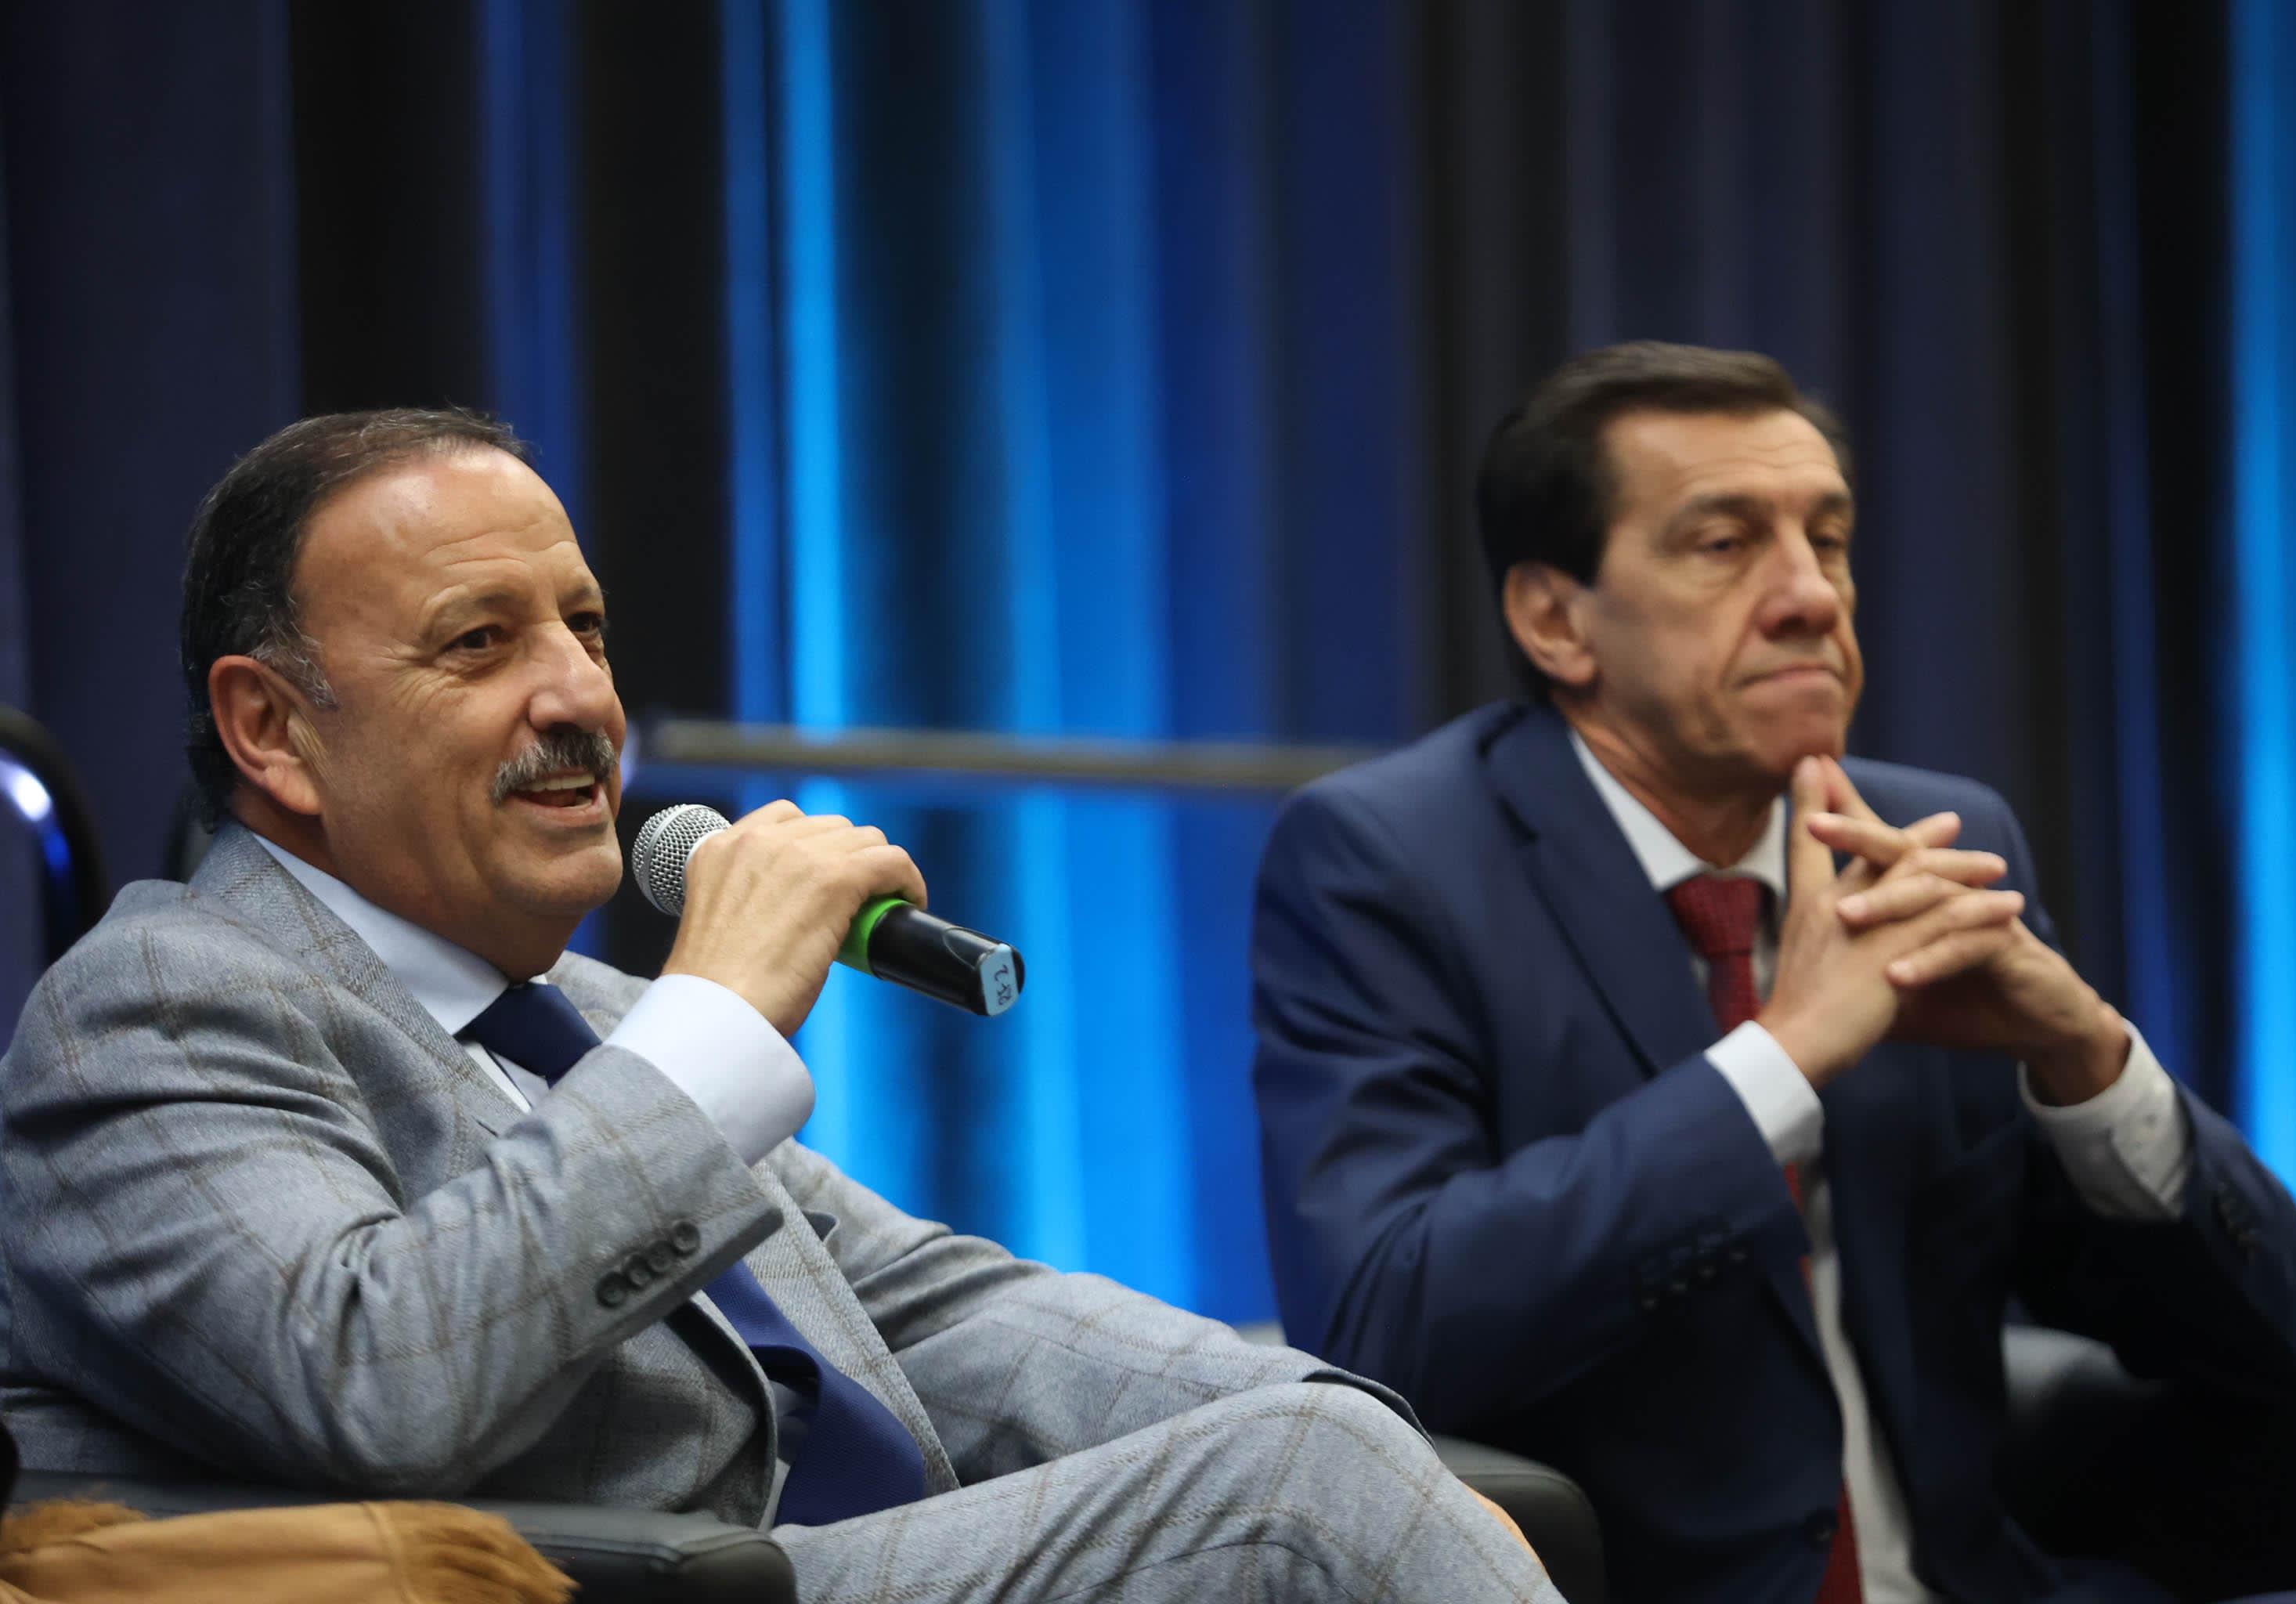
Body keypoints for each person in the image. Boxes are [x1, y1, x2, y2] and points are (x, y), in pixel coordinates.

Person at [0, 409, 1557, 1604]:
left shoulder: (581, 1016)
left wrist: (1363, 1436)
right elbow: (373, 1380)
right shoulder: (154, 1006)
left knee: (1326, 1449)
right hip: (620, 1586)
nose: (581, 698)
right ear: (272, 729)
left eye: (586, 629)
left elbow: (941, 1312)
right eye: (479, 643)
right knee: (1294, 1496)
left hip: (790, 1567)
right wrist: (719, 1015)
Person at [1250, 343, 2296, 1603]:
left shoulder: (1937, 844)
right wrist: (1781, 1061)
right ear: (1556, 620)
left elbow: (2270, 1352)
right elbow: (1383, 1329)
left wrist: (2087, 1063)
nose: (1810, 597)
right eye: (1725, 545)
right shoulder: (1394, 862)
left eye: (1828, 541)